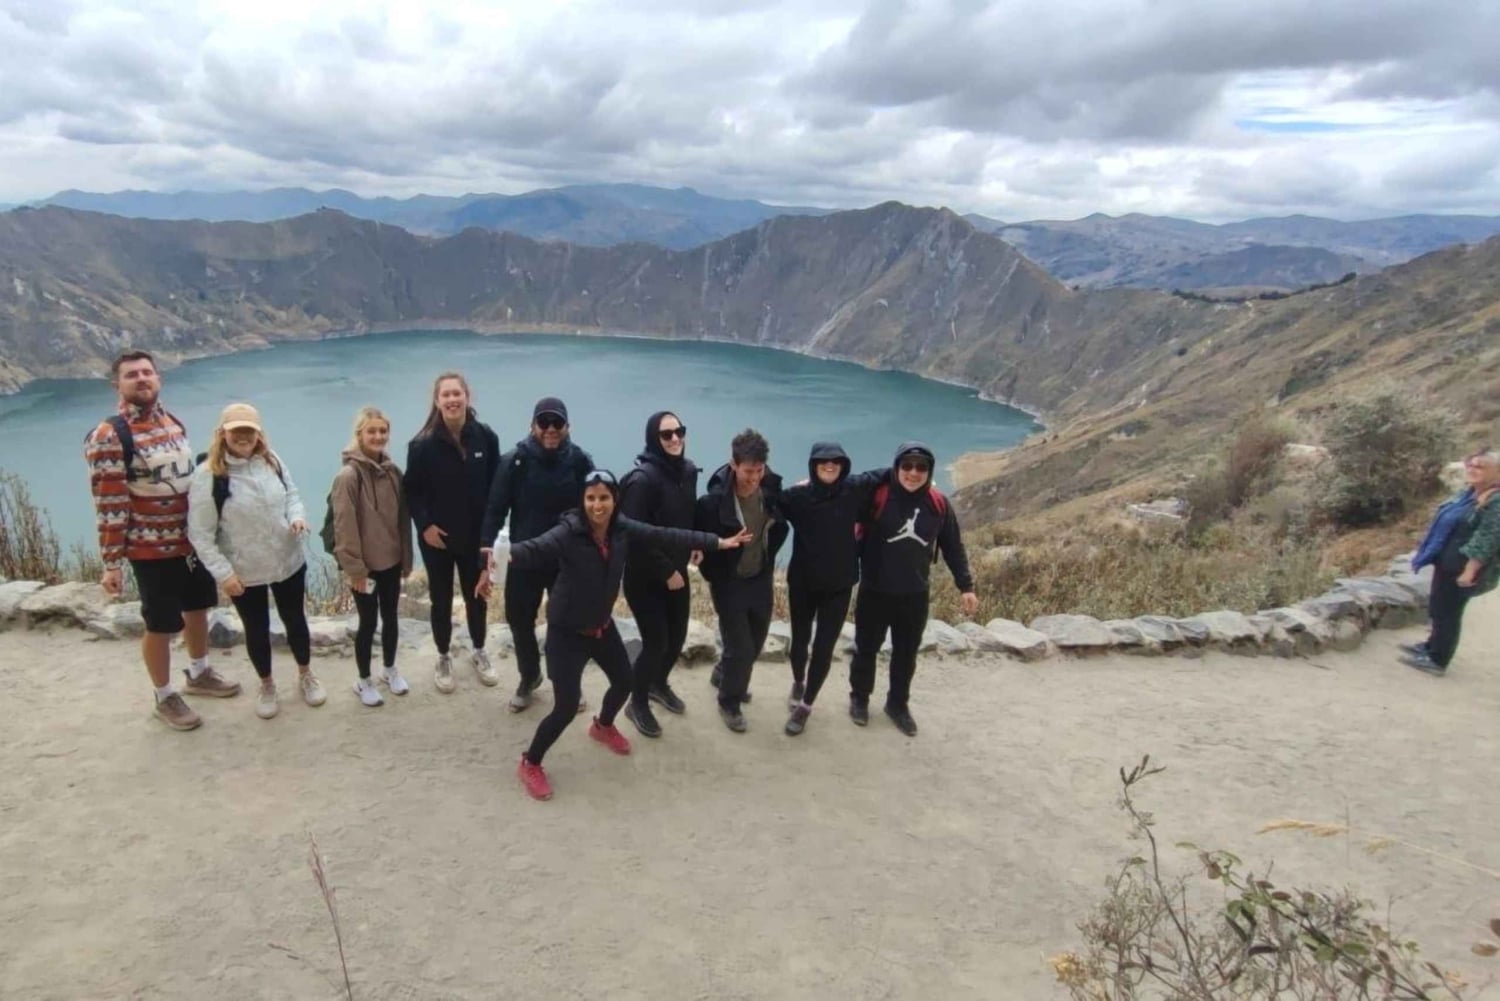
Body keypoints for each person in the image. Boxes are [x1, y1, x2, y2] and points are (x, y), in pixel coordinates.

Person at [491, 470, 749, 800]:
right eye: (591, 498)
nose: (597, 505)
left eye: (604, 497)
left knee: (625, 681)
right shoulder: (569, 532)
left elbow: (664, 533)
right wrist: (504, 554)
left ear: (614, 500)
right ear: (582, 501)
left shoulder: (622, 529)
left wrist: (715, 541)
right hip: (567, 632)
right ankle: (530, 761)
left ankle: (602, 726)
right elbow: (537, 547)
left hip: (602, 625)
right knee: (566, 707)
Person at [83, 350, 241, 731]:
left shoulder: (172, 423)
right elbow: (111, 502)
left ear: (159, 379)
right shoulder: (110, 436)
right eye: (131, 374)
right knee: (159, 623)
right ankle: (164, 695)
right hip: (149, 547)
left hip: (190, 542)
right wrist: (112, 562)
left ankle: (199, 672)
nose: (141, 379)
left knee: (198, 607)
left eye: (147, 372)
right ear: (116, 385)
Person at [187, 403, 322, 720]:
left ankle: (305, 675)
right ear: (223, 433)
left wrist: (297, 517)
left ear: (258, 433)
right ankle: (267, 685)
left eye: (249, 430)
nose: (243, 436)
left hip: (286, 559)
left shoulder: (271, 461)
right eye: (237, 430)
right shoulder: (209, 477)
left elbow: (292, 495)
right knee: (256, 628)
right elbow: (200, 534)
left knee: (296, 621)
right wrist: (224, 574)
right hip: (244, 571)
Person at [848, 442, 978, 736]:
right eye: (906, 465)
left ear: (929, 471)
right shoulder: (877, 496)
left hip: (914, 592)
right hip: (875, 589)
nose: (913, 472)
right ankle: (859, 699)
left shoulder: (937, 504)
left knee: (906, 654)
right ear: (896, 467)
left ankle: (898, 704)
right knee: (866, 649)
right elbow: (840, 500)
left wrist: (966, 586)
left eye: (921, 467)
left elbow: (953, 546)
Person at [480, 396, 596, 713]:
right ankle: (529, 676)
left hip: (564, 558)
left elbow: (594, 510)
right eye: (543, 422)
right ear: (532, 426)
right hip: (523, 557)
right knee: (520, 621)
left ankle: (568, 684)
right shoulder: (514, 461)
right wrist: (487, 559)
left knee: (566, 624)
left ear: (567, 427)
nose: (550, 429)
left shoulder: (580, 462)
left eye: (557, 423)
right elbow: (495, 511)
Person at [778, 442, 884, 736]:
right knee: (799, 643)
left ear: (843, 465)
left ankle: (806, 706)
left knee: (823, 648)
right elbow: (765, 499)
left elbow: (889, 473)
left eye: (836, 461)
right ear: (813, 465)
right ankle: (798, 681)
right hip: (802, 583)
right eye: (823, 461)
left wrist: (922, 482)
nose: (829, 465)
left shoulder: (854, 489)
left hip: (839, 585)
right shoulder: (797, 496)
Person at [404, 372, 501, 694]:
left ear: (466, 396)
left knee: (478, 596)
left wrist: (491, 537)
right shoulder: (422, 445)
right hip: (438, 540)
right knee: (440, 599)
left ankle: (478, 649)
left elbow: (495, 490)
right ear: (437, 401)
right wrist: (425, 526)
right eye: (445, 395)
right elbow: (412, 493)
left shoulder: (485, 437)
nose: (452, 399)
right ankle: (443, 655)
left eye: (456, 393)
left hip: (477, 537)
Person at [695, 428, 788, 733]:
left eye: (759, 470)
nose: (754, 478)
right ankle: (729, 701)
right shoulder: (713, 503)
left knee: (757, 640)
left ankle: (724, 672)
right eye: (748, 471)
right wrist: (712, 568)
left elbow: (782, 519)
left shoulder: (771, 489)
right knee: (741, 648)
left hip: (760, 576)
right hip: (729, 581)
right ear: (733, 464)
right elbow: (702, 540)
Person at [619, 411, 701, 738]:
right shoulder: (642, 480)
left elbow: (687, 514)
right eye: (666, 435)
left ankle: (657, 683)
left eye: (679, 431)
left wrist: (696, 542)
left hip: (678, 571)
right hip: (644, 577)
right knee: (656, 642)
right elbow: (633, 534)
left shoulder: (688, 471)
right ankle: (636, 702)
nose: (675, 439)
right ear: (654, 438)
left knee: (676, 639)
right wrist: (666, 570)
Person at [331, 407, 414, 706]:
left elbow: (403, 519)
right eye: (371, 431)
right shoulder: (348, 476)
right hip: (364, 569)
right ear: (360, 435)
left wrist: (406, 558)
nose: (378, 436)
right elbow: (345, 526)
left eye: (382, 431)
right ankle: (363, 680)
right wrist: (354, 569)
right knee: (368, 623)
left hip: (391, 561)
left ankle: (389, 670)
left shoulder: (393, 473)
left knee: (391, 617)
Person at [1403, 448, 1500, 676]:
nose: (1473, 470)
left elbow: (1488, 538)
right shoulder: (1473, 494)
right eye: (1471, 465)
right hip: (1447, 561)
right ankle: (1430, 646)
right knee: (1438, 606)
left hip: (1462, 567)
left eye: (1480, 466)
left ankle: (1438, 659)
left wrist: (1470, 570)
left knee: (1449, 612)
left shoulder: (1496, 503)